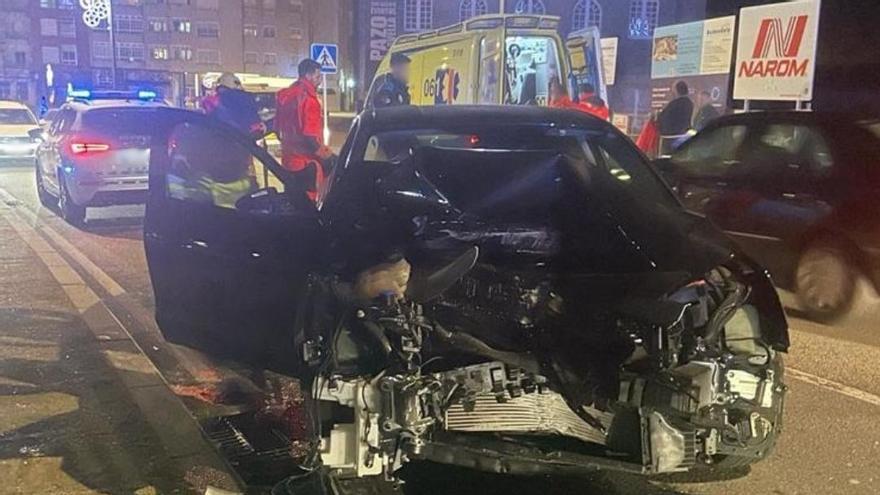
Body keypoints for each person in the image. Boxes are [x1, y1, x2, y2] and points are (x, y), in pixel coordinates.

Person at [276, 59, 334, 202]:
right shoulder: (309, 100)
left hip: (288, 161)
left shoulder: (286, 96)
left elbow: (277, 129)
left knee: (292, 201)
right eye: (317, 75)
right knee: (308, 204)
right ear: (308, 75)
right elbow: (310, 138)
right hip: (306, 164)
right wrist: (328, 157)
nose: (320, 80)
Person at [205, 72, 266, 139]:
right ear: (235, 83)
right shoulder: (244, 97)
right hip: (242, 138)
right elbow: (253, 121)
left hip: (219, 138)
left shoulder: (213, 99)